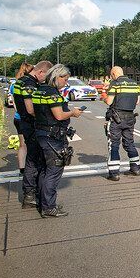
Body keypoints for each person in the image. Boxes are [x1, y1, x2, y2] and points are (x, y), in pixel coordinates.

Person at [32, 64, 82, 218]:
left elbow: (33, 112)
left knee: (44, 171)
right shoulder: (53, 93)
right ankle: (49, 207)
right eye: (65, 79)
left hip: (40, 134)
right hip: (52, 138)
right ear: (57, 77)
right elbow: (59, 115)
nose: (66, 83)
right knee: (54, 171)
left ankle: (44, 203)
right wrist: (73, 113)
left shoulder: (39, 90)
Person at [16, 60, 53, 208]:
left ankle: (31, 192)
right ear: (40, 72)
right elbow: (31, 109)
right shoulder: (30, 84)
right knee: (34, 159)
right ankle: (30, 194)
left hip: (23, 122)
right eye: (46, 77)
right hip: (31, 125)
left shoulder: (21, 81)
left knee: (33, 158)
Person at [104, 66, 140, 181]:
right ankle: (135, 168)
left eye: (111, 76)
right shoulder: (134, 84)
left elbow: (109, 101)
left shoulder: (115, 83)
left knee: (114, 145)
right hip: (130, 117)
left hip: (116, 118)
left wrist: (104, 95)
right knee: (129, 143)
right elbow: (138, 101)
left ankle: (114, 173)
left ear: (114, 74)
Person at [10, 62, 34, 177]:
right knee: (31, 143)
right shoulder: (28, 85)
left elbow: (14, 102)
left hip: (17, 117)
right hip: (26, 118)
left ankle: (22, 169)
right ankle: (31, 167)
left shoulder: (14, 85)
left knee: (22, 144)